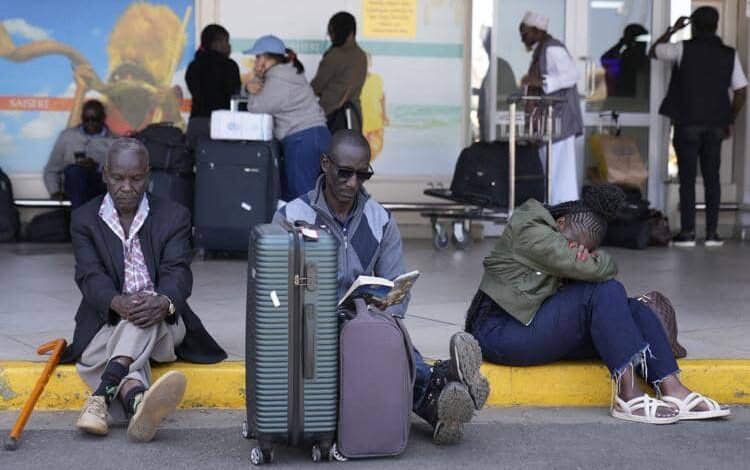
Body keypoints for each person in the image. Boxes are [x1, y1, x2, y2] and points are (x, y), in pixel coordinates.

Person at [273, 130, 490, 445]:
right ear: (325, 164)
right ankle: (446, 387)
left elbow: (395, 281)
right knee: (372, 354)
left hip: (363, 321)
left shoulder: (381, 220)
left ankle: (443, 403)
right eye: (345, 173)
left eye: (363, 175)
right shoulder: (292, 216)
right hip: (312, 325)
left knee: (390, 343)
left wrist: (389, 307)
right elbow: (276, 289)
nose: (353, 183)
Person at [466, 185, 730, 424]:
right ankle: (627, 396)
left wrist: (589, 262)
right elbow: (603, 269)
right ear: (560, 222)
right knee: (605, 290)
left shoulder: (556, 238)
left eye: (582, 248)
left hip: (531, 324)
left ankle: (672, 387)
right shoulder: (530, 227)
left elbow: (592, 268)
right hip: (499, 333)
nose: (573, 249)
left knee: (633, 309)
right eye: (571, 242)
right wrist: (592, 261)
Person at [61, 138, 227, 441]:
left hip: (164, 323)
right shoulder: (84, 218)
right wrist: (117, 303)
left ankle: (99, 399)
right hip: (106, 321)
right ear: (105, 174)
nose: (127, 187)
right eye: (118, 178)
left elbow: (178, 271)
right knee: (126, 324)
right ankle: (136, 399)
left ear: (147, 175)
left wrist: (163, 302)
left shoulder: (173, 215)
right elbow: (89, 276)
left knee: (141, 317)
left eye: (136, 178)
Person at [650, 7, 747, 247]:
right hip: (716, 125)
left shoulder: (682, 48)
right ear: (716, 25)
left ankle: (688, 233)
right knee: (712, 178)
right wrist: (729, 118)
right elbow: (741, 90)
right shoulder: (729, 54)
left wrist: (673, 29)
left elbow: (653, 51)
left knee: (687, 179)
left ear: (693, 25)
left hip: (687, 123)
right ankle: (712, 234)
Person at [242, 35, 330, 201]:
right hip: (316, 136)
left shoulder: (278, 78)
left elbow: (256, 107)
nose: (255, 62)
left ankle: (311, 227)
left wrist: (253, 83)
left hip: (302, 140)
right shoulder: (288, 72)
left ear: (267, 58)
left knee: (303, 198)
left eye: (257, 57)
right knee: (313, 196)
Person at [519, 12, 583, 204]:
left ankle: (565, 222)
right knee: (551, 177)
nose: (522, 37)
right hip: (549, 124)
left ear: (536, 30)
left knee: (561, 178)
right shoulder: (542, 50)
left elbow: (572, 75)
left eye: (524, 32)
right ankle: (555, 222)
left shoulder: (552, 49)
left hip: (559, 123)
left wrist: (538, 81)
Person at [43, 100, 116, 209]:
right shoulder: (67, 137)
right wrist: (55, 191)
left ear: (103, 118)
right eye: (86, 119)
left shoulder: (115, 142)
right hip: (74, 187)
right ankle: (81, 219)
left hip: (101, 188)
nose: (90, 123)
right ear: (82, 118)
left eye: (95, 119)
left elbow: (120, 176)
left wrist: (97, 167)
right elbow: (51, 170)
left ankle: (81, 220)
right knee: (74, 171)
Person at [185, 24, 242, 147]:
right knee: (221, 163)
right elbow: (236, 96)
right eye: (226, 41)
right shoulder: (229, 66)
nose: (229, 46)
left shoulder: (193, 66)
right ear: (217, 43)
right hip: (222, 125)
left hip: (196, 123)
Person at [311, 12, 368, 132]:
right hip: (354, 117)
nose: (330, 36)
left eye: (332, 31)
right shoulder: (361, 55)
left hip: (332, 117)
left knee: (329, 150)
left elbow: (316, 87)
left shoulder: (335, 55)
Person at [601, 24, 650, 99]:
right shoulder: (626, 61)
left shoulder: (643, 61)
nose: (645, 44)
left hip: (638, 106)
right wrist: (623, 42)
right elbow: (605, 60)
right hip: (624, 105)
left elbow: (605, 59)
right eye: (642, 41)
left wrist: (621, 43)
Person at [360, 52, 389, 159]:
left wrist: (385, 114)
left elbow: (382, 97)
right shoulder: (355, 80)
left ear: (370, 64)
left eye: (367, 62)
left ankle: (366, 168)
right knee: (361, 151)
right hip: (361, 124)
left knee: (376, 150)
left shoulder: (377, 79)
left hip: (376, 123)